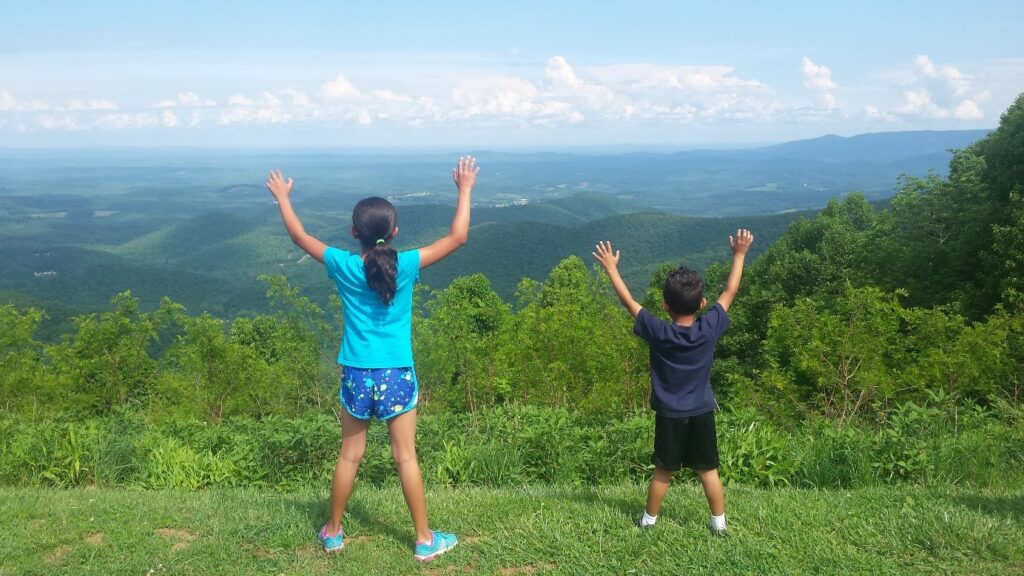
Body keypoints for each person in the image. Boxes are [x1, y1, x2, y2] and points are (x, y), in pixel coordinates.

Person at [265, 156, 480, 561]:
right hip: (397, 372)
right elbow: (458, 237)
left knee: (350, 455)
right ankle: (423, 540)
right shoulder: (408, 264)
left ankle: (333, 533)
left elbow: (299, 237)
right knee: (406, 457)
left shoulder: (344, 265)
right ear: (394, 232)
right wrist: (465, 189)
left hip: (357, 374)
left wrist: (282, 197)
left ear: (353, 233)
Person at [592, 229, 754, 535]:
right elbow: (730, 291)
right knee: (708, 469)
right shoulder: (709, 327)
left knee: (663, 470)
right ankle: (719, 524)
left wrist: (612, 268)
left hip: (670, 414)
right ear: (703, 302)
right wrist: (740, 254)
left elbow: (629, 301)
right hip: (702, 410)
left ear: (665, 306)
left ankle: (648, 521)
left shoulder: (659, 332)